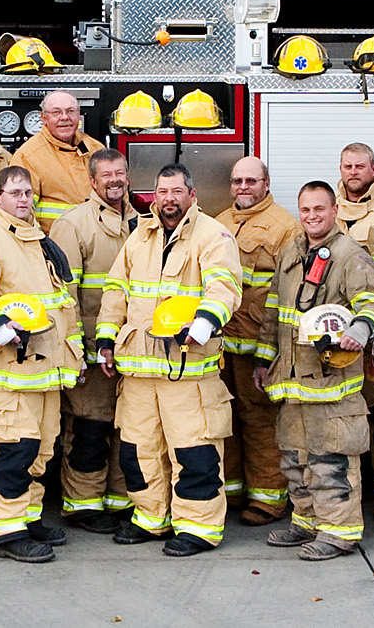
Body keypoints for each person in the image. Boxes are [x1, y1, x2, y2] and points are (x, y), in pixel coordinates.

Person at [94, 164, 243, 557]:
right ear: (154, 195)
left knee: (194, 451)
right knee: (138, 450)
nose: (169, 199)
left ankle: (197, 527)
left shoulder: (212, 235)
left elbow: (224, 284)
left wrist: (207, 321)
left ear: (192, 195)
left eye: (177, 192)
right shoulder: (139, 236)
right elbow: (116, 291)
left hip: (188, 369)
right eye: (162, 192)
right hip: (139, 371)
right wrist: (107, 339)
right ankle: (150, 518)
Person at [0, 166, 82, 563]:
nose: (24, 199)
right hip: (9, 377)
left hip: (45, 374)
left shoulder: (39, 241)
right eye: (15, 193)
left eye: (28, 192)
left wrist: (74, 357)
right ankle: (4, 532)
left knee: (39, 452)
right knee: (10, 451)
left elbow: (63, 309)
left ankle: (28, 516)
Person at [255, 180, 374, 561]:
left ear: (335, 211)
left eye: (320, 209)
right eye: (306, 210)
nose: (312, 216)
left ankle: (340, 533)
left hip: (332, 387)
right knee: (296, 460)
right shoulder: (291, 254)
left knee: (330, 460)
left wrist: (360, 330)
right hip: (293, 384)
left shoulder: (350, 256)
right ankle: (307, 522)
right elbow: (274, 315)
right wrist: (264, 361)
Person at [48, 148, 135, 534]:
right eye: (107, 175)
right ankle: (82, 505)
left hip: (131, 347)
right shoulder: (73, 225)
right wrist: (78, 350)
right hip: (90, 348)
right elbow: (64, 295)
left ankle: (119, 502)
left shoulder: (143, 222)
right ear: (92, 181)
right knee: (88, 429)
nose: (115, 180)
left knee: (126, 429)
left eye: (120, 173)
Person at [212, 156, 302, 526]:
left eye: (251, 180)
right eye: (237, 181)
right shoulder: (218, 223)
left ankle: (268, 498)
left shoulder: (285, 228)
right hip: (220, 343)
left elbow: (290, 290)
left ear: (266, 183)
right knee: (224, 419)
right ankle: (232, 490)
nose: (243, 188)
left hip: (257, 342)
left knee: (261, 420)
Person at [7, 90, 103, 230]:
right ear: (44, 118)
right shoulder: (27, 156)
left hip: (97, 239)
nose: (64, 117)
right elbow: (20, 213)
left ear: (79, 115)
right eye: (56, 112)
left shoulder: (96, 148)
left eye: (70, 111)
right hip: (55, 244)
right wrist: (43, 247)